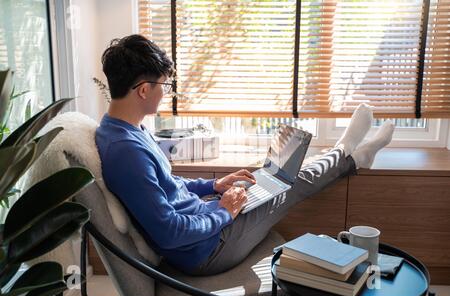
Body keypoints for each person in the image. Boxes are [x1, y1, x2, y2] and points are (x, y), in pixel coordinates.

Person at [95, 34, 395, 276]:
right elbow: (170, 233)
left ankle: (345, 154)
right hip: (207, 251)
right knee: (291, 182)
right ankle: (349, 155)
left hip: (206, 219)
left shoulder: (128, 129)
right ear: (144, 90)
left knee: (267, 178)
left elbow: (168, 184)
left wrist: (214, 186)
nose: (167, 93)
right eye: (164, 85)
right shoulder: (125, 152)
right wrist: (224, 212)